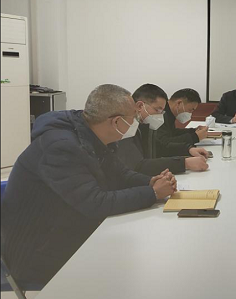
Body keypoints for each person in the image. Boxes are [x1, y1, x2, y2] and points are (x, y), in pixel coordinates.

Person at [0, 84, 177, 285]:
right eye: (133, 118)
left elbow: (119, 174)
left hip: (63, 227)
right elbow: (95, 203)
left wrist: (150, 181)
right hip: (35, 251)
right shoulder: (61, 147)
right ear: (116, 121)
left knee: (137, 248)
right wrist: (152, 193)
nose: (135, 122)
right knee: (131, 266)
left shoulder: (89, 133)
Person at [114, 84, 210, 176]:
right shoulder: (125, 129)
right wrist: (184, 163)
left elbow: (160, 147)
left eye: (162, 111)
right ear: (140, 106)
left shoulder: (143, 126)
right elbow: (139, 166)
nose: (160, 116)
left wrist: (188, 149)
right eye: (157, 110)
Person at [155, 88, 208, 154]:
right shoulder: (160, 114)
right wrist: (194, 137)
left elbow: (172, 133)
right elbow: (164, 142)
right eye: (190, 110)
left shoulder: (169, 113)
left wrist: (193, 131)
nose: (190, 114)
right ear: (179, 103)